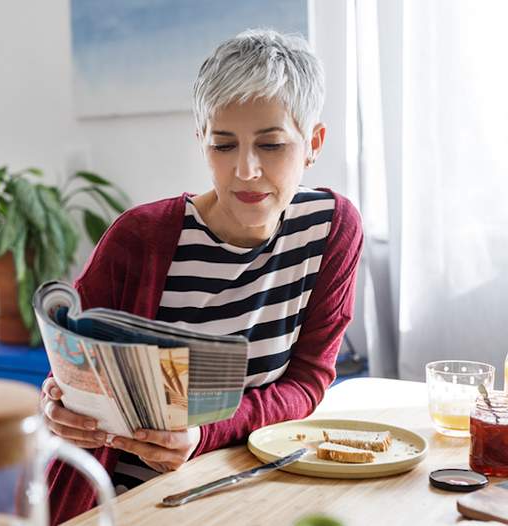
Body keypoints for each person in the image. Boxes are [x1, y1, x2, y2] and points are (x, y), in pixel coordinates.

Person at [41, 29, 363, 525]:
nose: (246, 170)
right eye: (223, 145)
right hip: (131, 500)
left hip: (252, 485)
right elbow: (71, 374)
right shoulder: (141, 238)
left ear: (313, 143)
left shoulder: (330, 228)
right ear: (201, 142)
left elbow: (308, 381)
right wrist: (61, 405)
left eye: (272, 145)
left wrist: (204, 433)